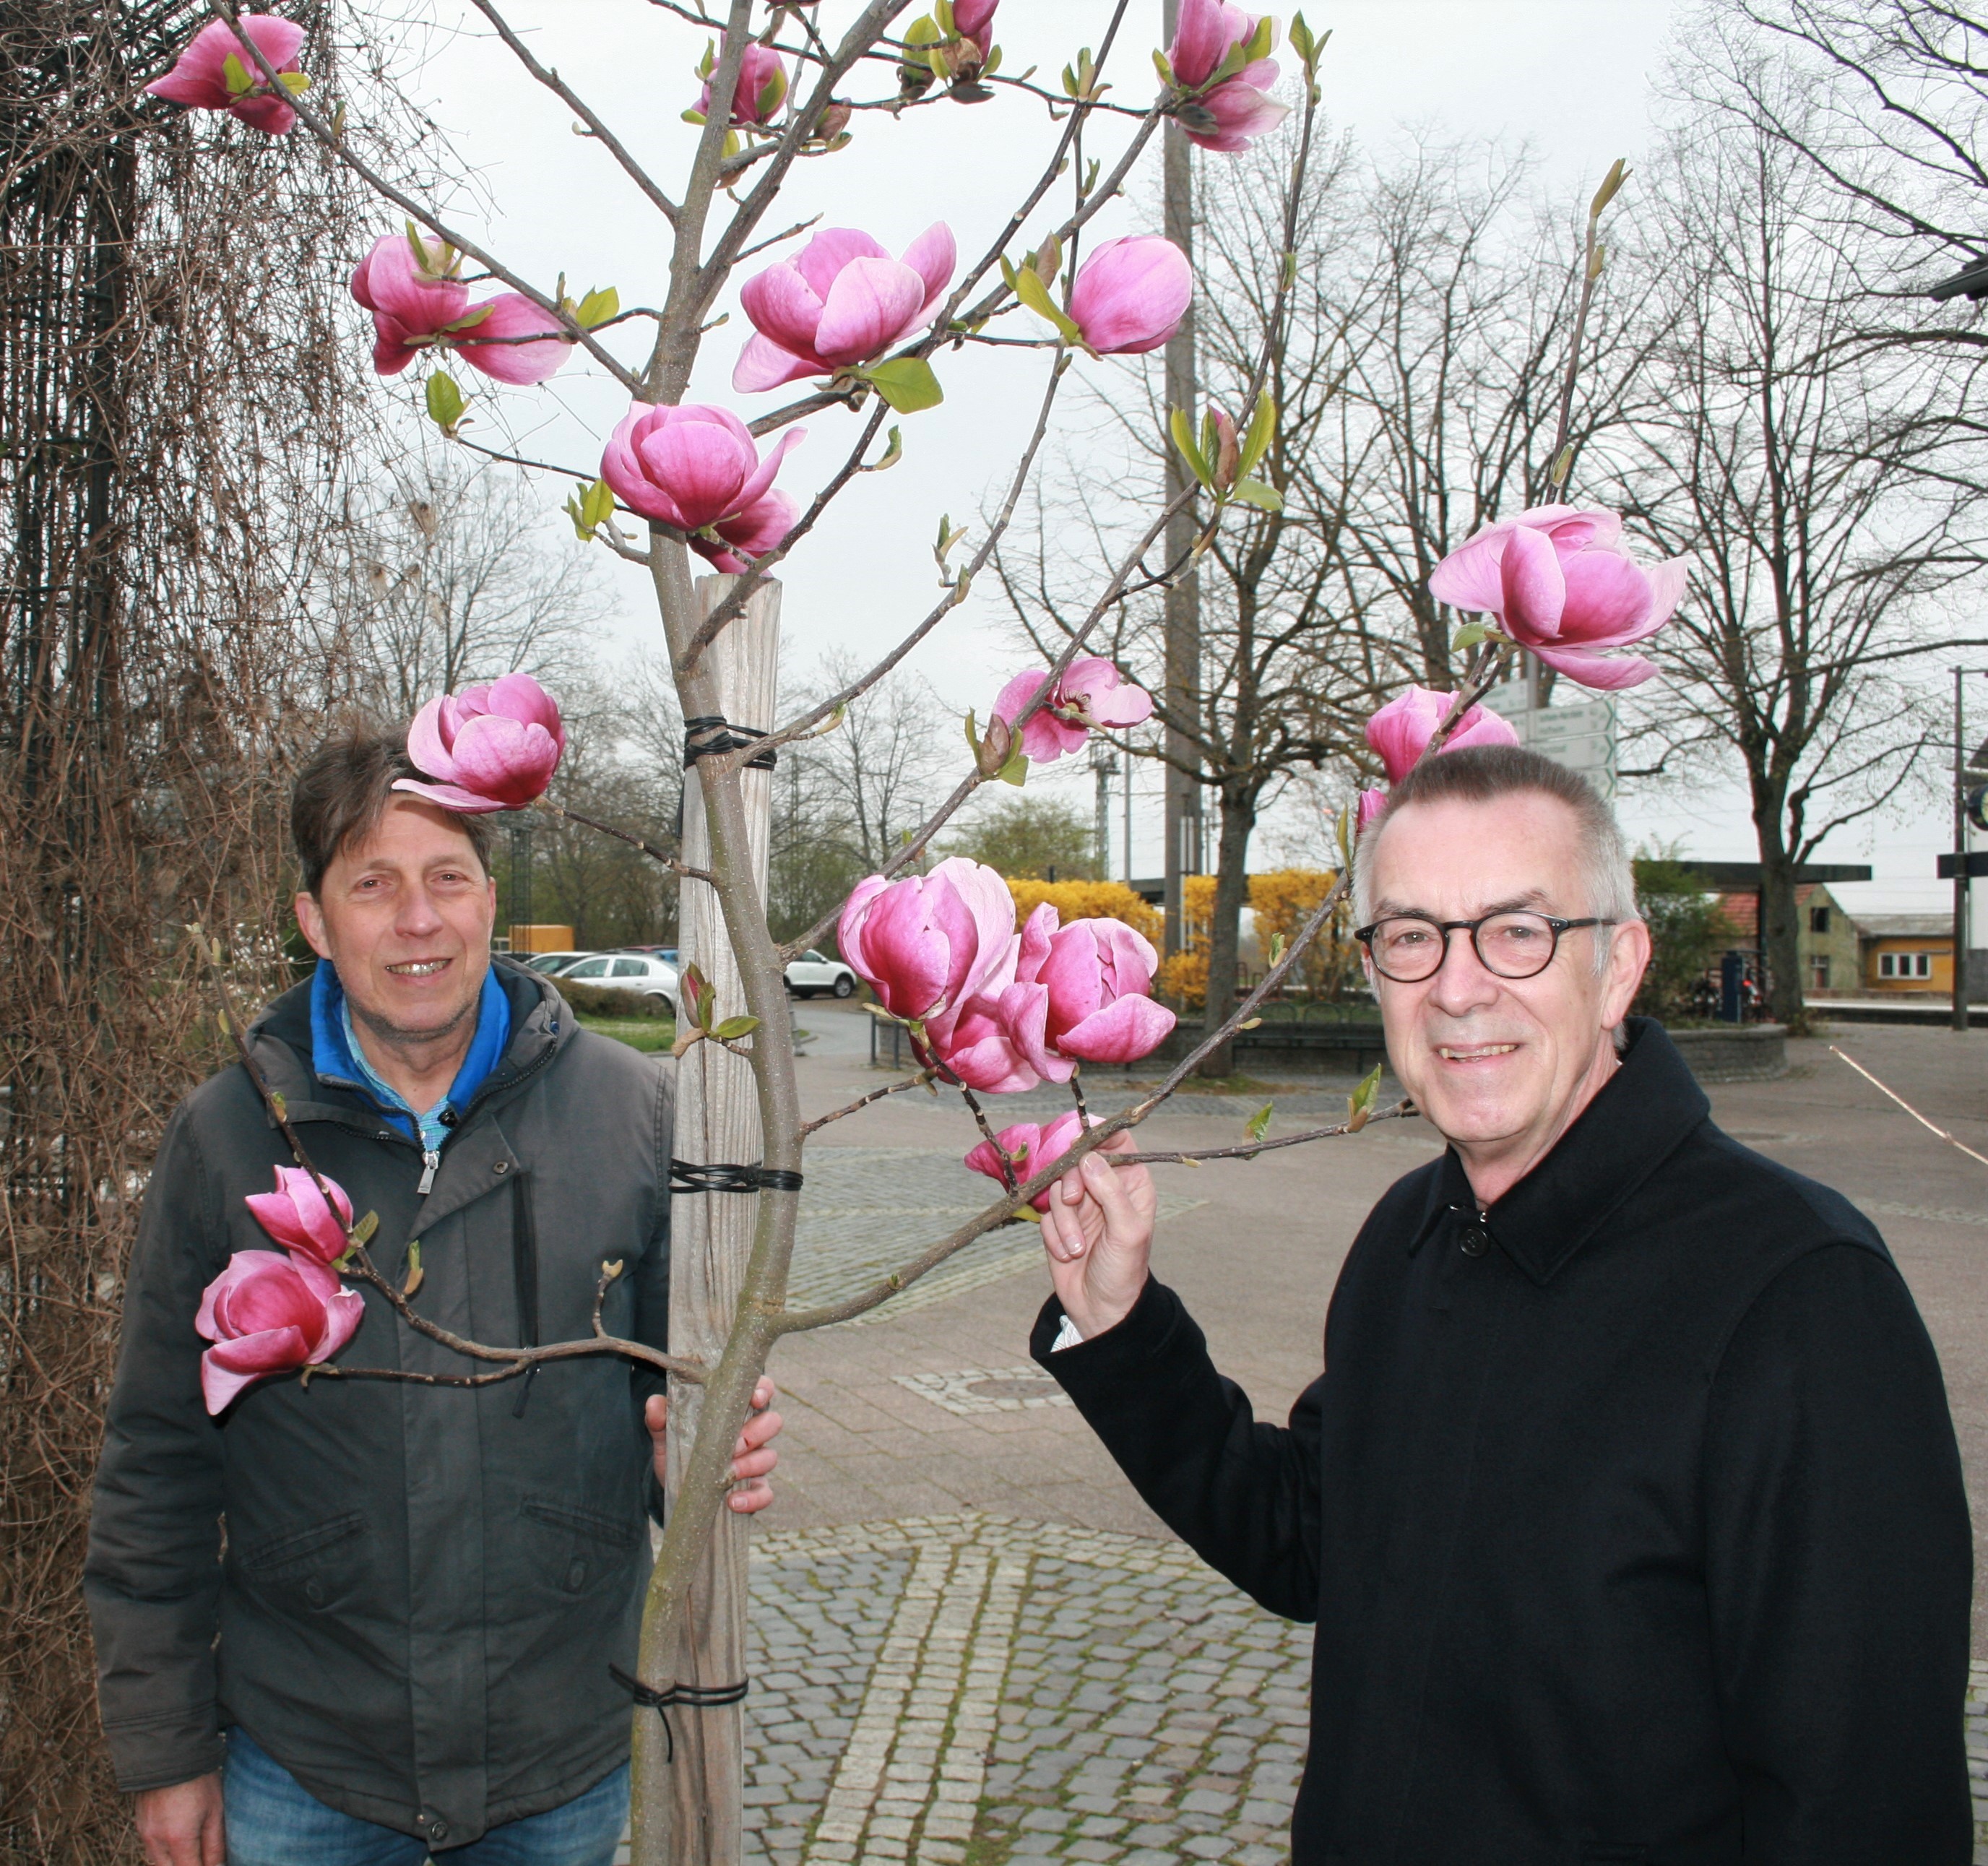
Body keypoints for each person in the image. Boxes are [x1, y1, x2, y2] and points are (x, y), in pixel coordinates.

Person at [1032, 744, 1972, 1863]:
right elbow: (1313, 1543)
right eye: (1414, 936)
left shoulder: (1802, 1297)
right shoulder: (1410, 1234)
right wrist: (1125, 1323)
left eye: (1519, 931)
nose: (1458, 987)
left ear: (1618, 967)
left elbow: (1861, 1804)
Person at [86, 723, 782, 1866]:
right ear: (315, 922)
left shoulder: (636, 1115)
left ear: (490, 902)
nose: (419, 920)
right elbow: (155, 1466)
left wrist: (705, 1449)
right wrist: (166, 1755)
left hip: (559, 1756)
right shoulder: (226, 1139)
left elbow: (684, 1396)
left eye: (447, 878)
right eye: (374, 885)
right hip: (304, 1762)